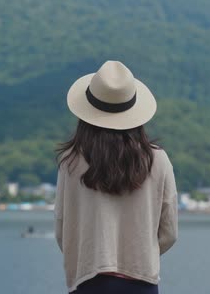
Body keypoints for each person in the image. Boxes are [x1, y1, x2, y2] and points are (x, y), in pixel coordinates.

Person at [55, 61, 178, 293]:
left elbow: (63, 230)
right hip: (141, 283)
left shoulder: (70, 162)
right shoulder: (158, 160)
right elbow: (169, 231)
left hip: (87, 281)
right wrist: (141, 254)